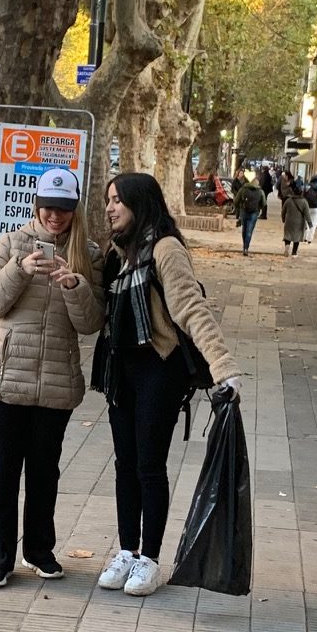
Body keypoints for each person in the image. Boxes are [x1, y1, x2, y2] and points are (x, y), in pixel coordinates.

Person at [93, 172, 240, 598]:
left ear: (141, 203)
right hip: (121, 370)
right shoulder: (117, 252)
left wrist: (223, 366)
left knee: (148, 466)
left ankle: (150, 560)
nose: (110, 207)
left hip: (159, 368)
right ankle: (126, 550)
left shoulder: (165, 248)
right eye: (108, 199)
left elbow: (192, 308)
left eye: (118, 199)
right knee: (124, 465)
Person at [0, 167, 103, 587]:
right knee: (1, 471)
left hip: (56, 380)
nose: (56, 216)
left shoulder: (89, 253)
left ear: (74, 209)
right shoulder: (12, 242)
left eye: (64, 209)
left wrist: (75, 286)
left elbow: (90, 324)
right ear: (37, 204)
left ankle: (39, 550)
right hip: (4, 376)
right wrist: (20, 269)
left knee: (45, 471)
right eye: (49, 207)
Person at [232, 170, 265, 255]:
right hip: (254, 212)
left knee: (244, 230)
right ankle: (246, 248)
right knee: (249, 231)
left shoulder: (243, 189)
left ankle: (244, 246)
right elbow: (264, 203)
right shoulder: (260, 191)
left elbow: (236, 201)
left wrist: (239, 208)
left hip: (244, 211)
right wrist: (259, 208)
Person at [278, 170, 309, 256]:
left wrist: (283, 219)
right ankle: (294, 252)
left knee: (288, 235)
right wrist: (309, 224)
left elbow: (283, 211)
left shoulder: (288, 200)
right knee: (297, 237)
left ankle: (287, 245)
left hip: (289, 221)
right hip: (299, 222)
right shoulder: (304, 202)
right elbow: (307, 214)